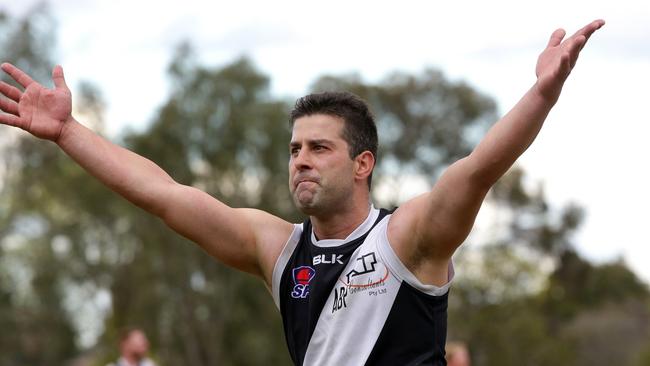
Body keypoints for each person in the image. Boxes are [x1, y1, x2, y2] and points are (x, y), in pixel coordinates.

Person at [0, 20, 604, 366]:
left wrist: (543, 94)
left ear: (363, 163)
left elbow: (477, 169)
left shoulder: (409, 239)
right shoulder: (278, 249)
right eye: (294, 149)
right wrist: (68, 133)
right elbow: (163, 193)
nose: (301, 161)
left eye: (320, 148)